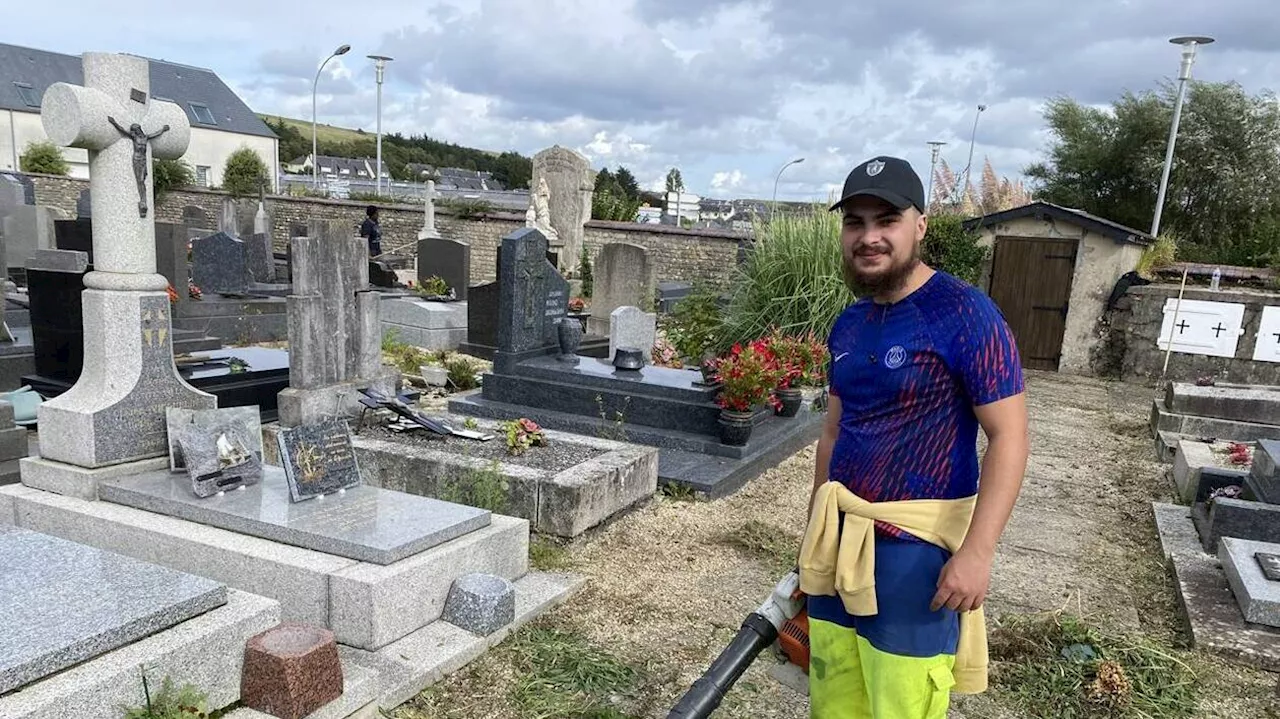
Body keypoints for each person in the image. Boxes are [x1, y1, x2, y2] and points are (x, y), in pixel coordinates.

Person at [798, 156, 1029, 719]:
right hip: (839, 539)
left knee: (901, 703)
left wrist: (977, 554)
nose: (869, 236)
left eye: (887, 220)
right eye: (855, 222)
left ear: (920, 225)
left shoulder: (965, 313)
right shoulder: (849, 323)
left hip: (915, 555)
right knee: (834, 699)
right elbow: (833, 432)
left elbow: (1010, 438)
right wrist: (812, 533)